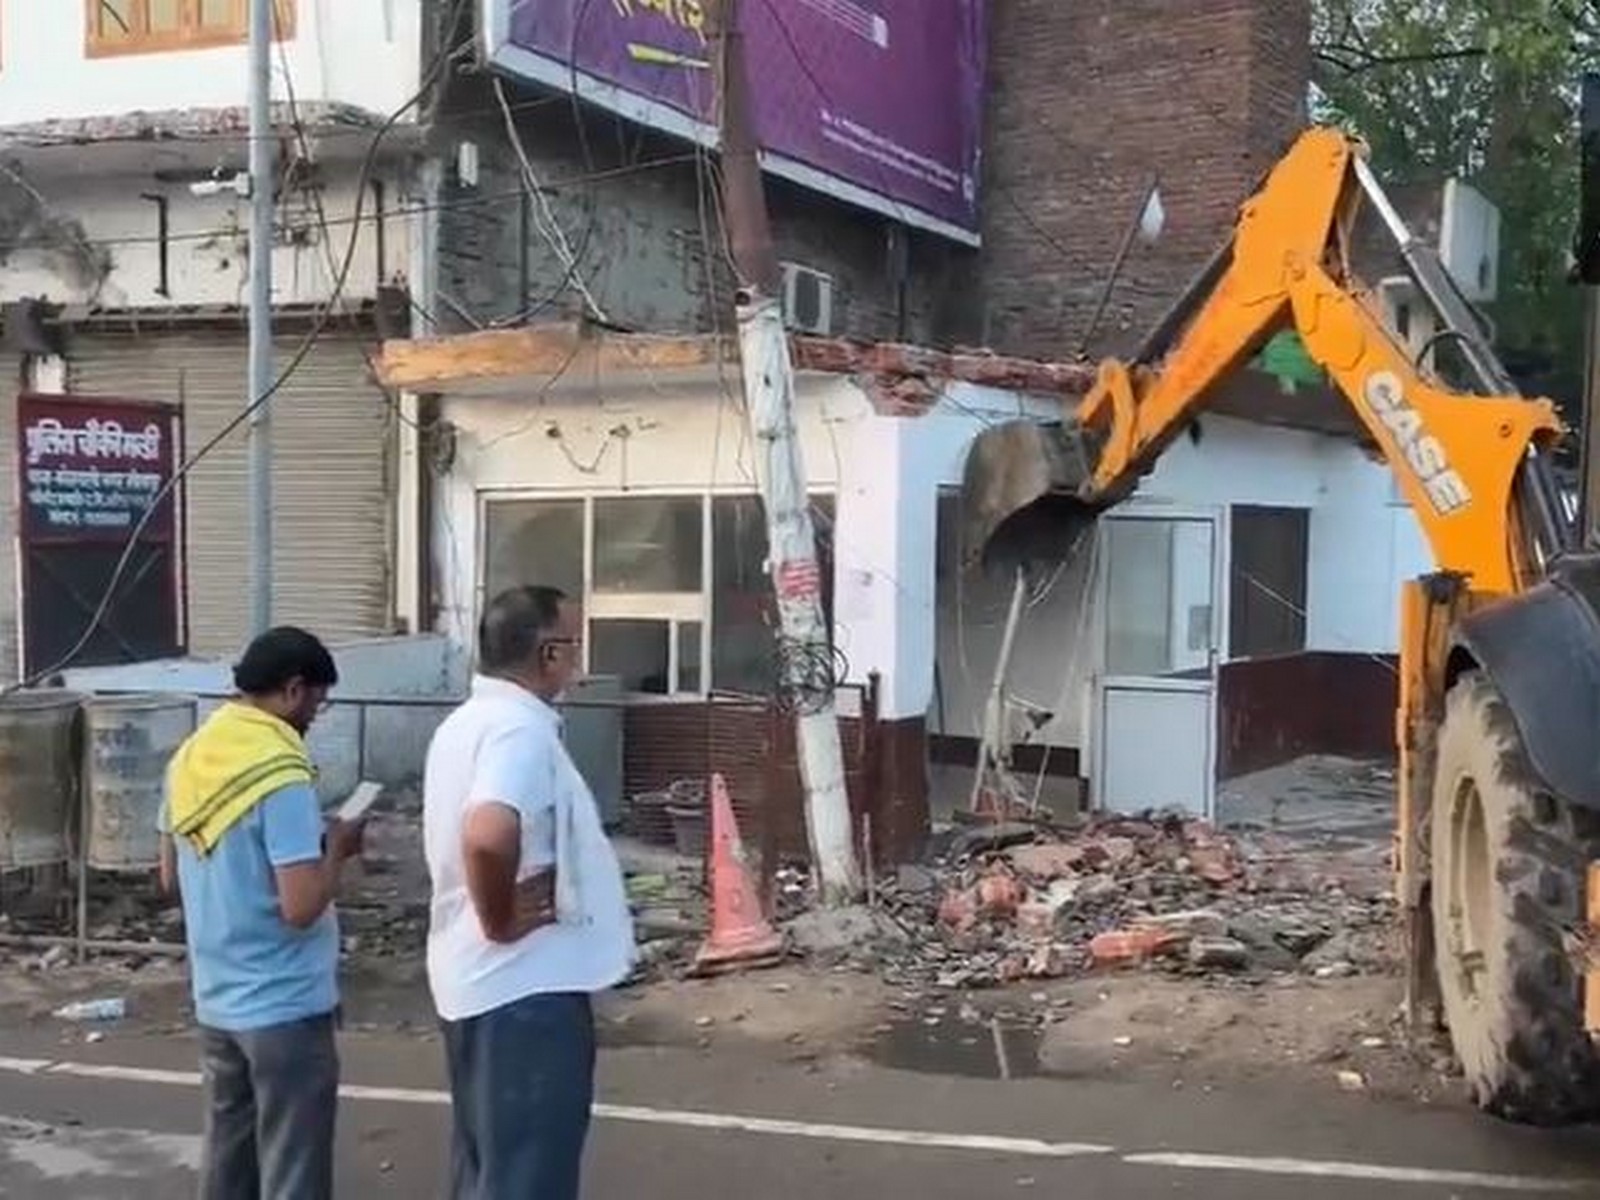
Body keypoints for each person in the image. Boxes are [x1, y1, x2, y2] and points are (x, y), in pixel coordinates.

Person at [423, 585, 636, 1200]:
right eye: (574, 643)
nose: (579, 659)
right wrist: (500, 918)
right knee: (527, 1178)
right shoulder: (517, 730)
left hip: (485, 988)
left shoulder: (468, 724)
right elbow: (489, 832)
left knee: (489, 1168)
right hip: (522, 992)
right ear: (548, 654)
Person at [158, 626, 364, 1200]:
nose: (315, 718)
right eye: (317, 705)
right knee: (292, 1167)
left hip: (218, 998)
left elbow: (170, 879)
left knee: (229, 1159)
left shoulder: (190, 758)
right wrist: (338, 852)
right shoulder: (281, 772)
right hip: (284, 1004)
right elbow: (300, 907)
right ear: (294, 691)